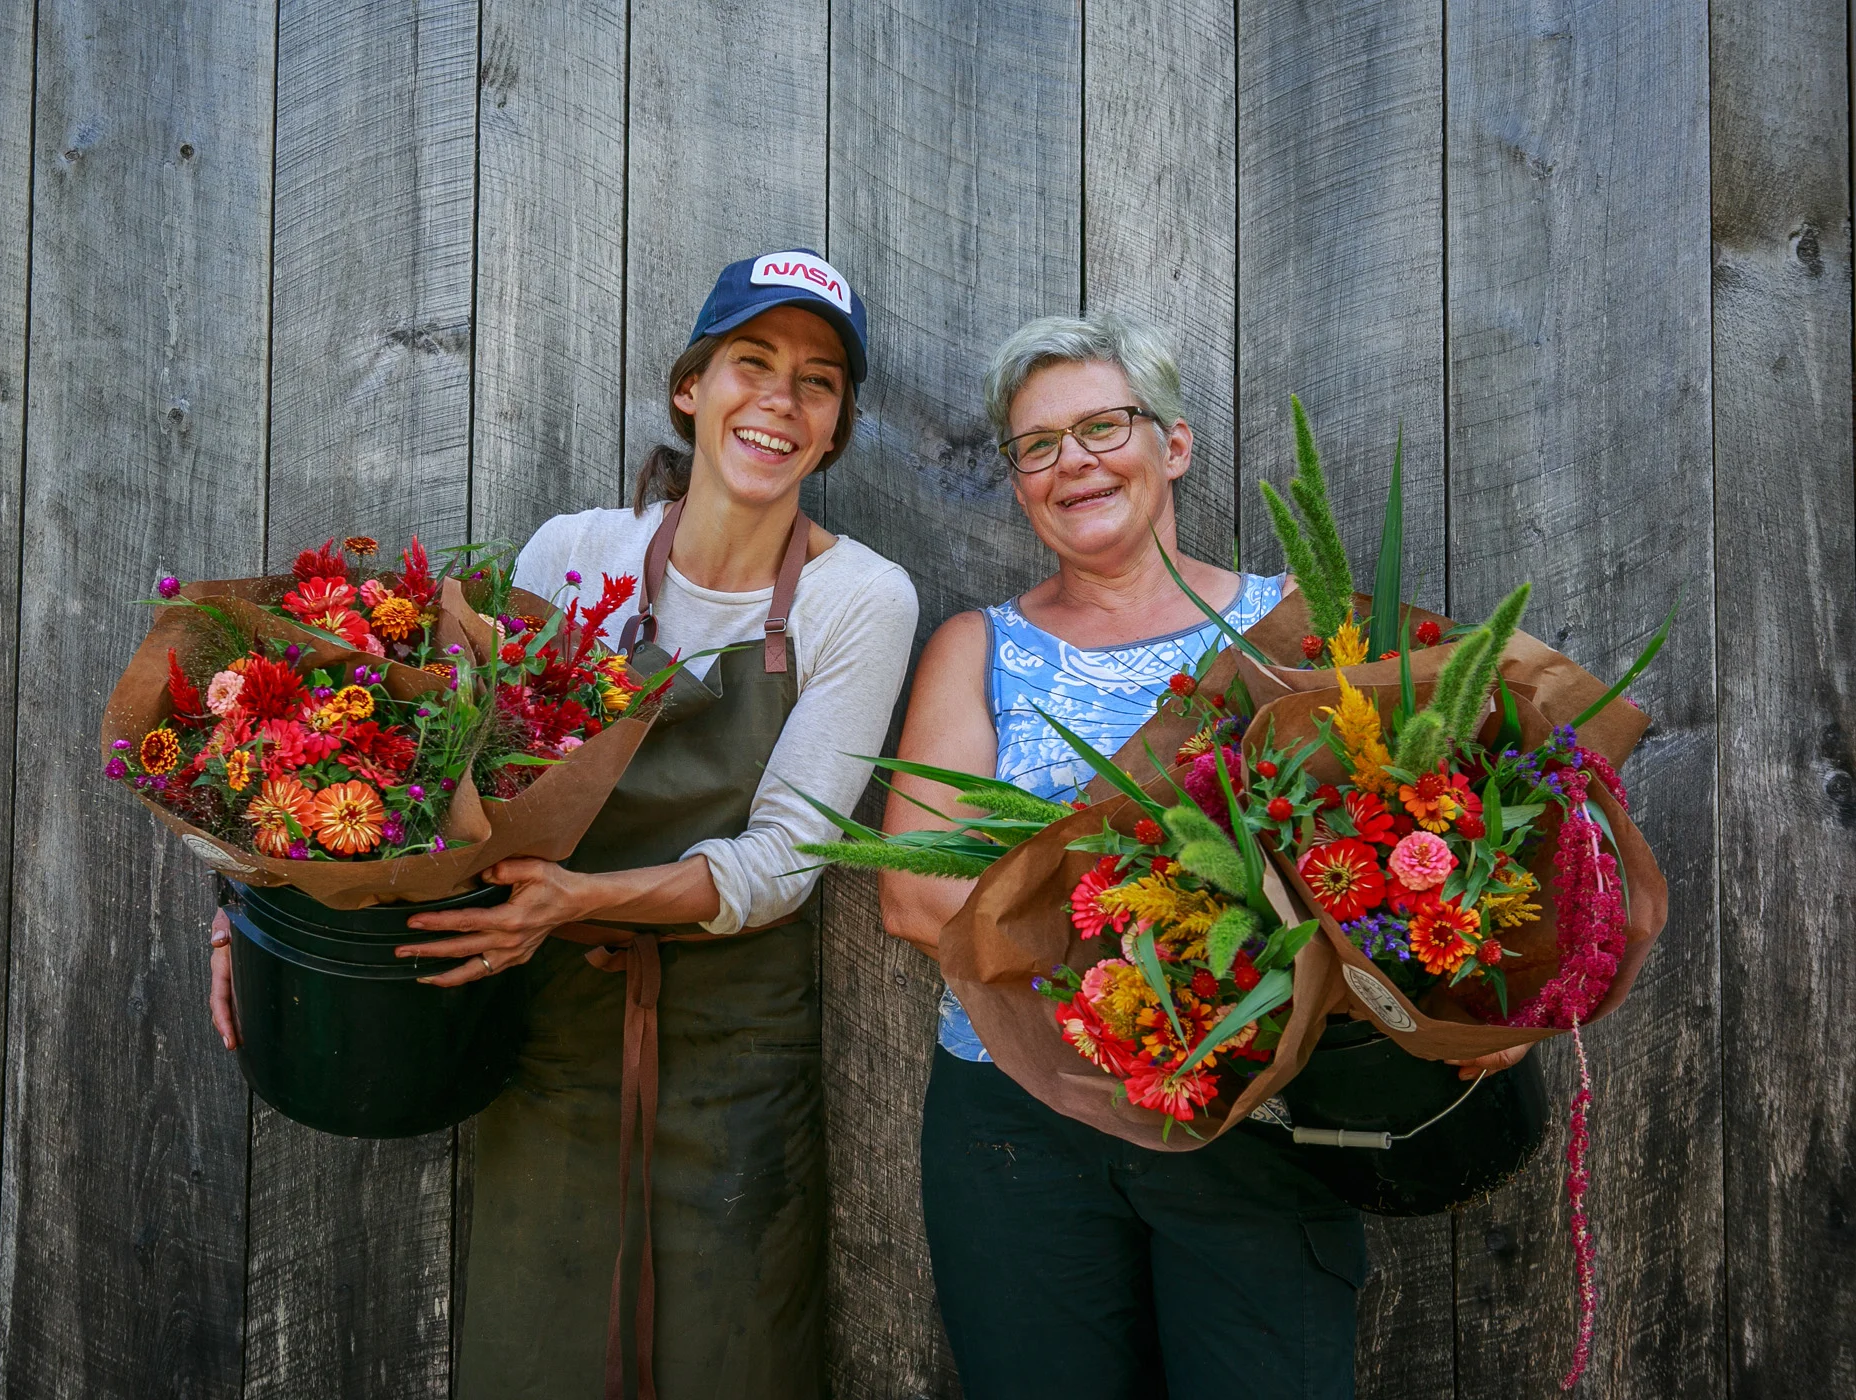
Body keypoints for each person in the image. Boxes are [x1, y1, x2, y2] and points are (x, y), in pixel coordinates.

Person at [876, 312, 1514, 1398]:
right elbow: (913, 892)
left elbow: (1442, 827)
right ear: (1020, 480)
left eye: (1103, 426)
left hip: (1255, 1105)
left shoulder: (1305, 634)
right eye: (1038, 444)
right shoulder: (976, 647)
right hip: (1019, 1116)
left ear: (1171, 445)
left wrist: (1471, 992)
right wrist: (1156, 987)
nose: (1072, 460)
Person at [370, 249, 908, 1398]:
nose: (779, 398)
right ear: (691, 389)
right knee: (538, 1350)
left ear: (834, 429)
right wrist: (257, 912)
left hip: (736, 1048)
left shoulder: (858, 595)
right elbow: (438, 781)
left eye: (817, 382)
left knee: (736, 1352)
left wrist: (582, 897)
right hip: (552, 1029)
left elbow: (784, 860)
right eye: (749, 363)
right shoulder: (574, 558)